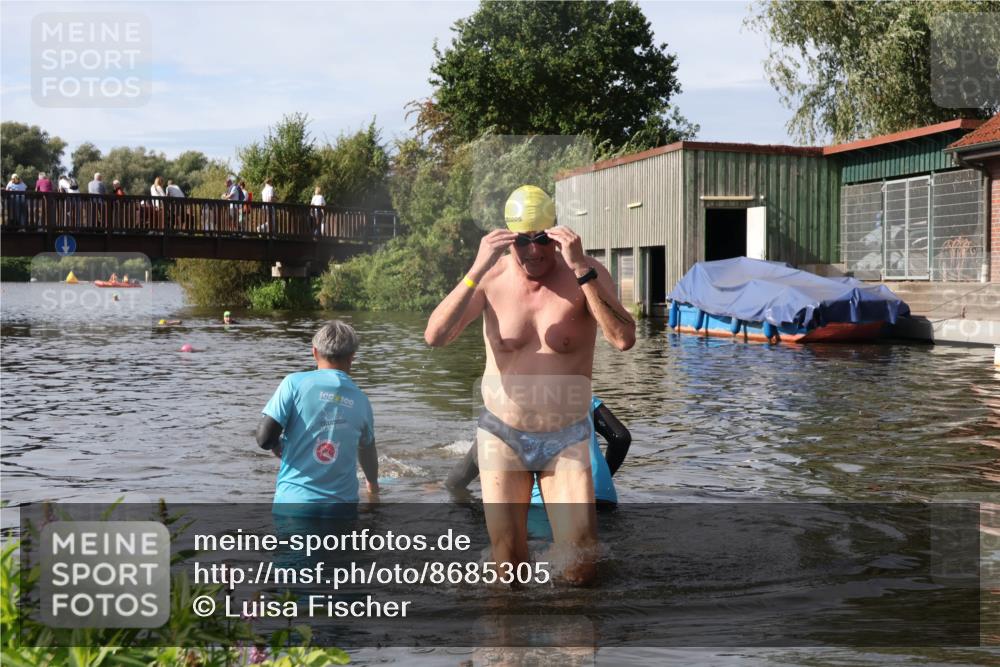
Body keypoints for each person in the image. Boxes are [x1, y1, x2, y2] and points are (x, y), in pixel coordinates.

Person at [424, 185, 635, 584]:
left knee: (581, 565)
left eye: (541, 239)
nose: (533, 251)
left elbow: (623, 339)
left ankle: (571, 638)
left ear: (555, 234)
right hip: (502, 435)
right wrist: (474, 269)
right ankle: (507, 641)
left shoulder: (585, 272)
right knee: (508, 566)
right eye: (522, 241)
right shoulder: (490, 278)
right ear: (507, 238)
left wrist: (581, 270)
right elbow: (436, 336)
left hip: (567, 436)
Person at [256, 320, 379, 514]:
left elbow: (264, 438)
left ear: (314, 352)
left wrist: (278, 447)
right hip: (342, 509)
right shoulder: (362, 401)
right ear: (352, 357)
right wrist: (373, 486)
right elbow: (367, 450)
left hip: (294, 505)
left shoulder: (293, 384)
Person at [447, 396, 632, 507]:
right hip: (604, 498)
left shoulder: (507, 407)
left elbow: (464, 472)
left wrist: (446, 487)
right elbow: (621, 438)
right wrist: (600, 477)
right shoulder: (582, 396)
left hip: (547, 504)